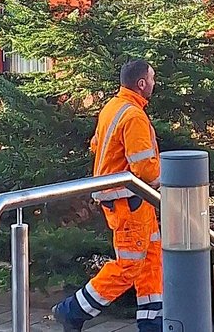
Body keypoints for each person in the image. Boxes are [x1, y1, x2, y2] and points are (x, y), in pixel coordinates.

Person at [54, 60, 162, 332]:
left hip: (130, 200)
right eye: (152, 79)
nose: (154, 83)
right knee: (128, 266)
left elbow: (96, 145)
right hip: (130, 201)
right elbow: (145, 169)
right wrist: (170, 181)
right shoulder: (134, 116)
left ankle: (153, 323)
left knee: (151, 259)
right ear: (141, 84)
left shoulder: (113, 107)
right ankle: (73, 310)